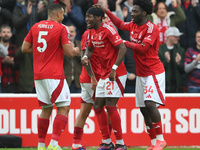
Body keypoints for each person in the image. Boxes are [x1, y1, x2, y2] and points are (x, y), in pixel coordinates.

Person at [95, 0, 167, 149]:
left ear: (144, 13)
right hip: (141, 74)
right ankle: (153, 143)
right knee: (142, 108)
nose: (132, 14)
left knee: (149, 103)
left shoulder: (152, 28)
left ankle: (161, 139)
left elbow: (142, 48)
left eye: (135, 11)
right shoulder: (133, 25)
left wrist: (124, 42)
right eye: (132, 11)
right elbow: (121, 24)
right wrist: (107, 12)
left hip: (153, 72)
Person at [21, 3, 79, 150]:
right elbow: (69, 52)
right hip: (54, 75)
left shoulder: (36, 26)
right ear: (59, 14)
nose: (64, 17)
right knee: (64, 108)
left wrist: (43, 53)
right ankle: (54, 144)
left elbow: (24, 48)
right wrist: (77, 50)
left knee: (46, 109)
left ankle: (41, 145)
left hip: (39, 75)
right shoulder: (61, 28)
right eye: (63, 14)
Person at [82, 6, 127, 150]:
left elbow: (123, 48)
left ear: (98, 18)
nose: (87, 19)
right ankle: (107, 141)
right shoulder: (91, 33)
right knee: (98, 106)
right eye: (86, 16)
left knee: (111, 105)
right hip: (103, 74)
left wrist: (114, 69)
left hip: (116, 73)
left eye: (89, 17)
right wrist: (85, 57)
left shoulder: (108, 29)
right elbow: (89, 49)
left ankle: (120, 143)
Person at [71, 29, 100, 150]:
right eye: (103, 18)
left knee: (84, 111)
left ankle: (75, 144)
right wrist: (93, 77)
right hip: (93, 79)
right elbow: (84, 58)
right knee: (109, 109)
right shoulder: (89, 34)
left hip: (86, 78)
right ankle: (108, 141)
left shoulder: (86, 33)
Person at [159, 27, 185, 93]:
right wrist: (166, 61)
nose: (178, 38)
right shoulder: (160, 50)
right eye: (176, 36)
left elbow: (184, 69)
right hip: (164, 86)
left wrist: (179, 63)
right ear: (169, 37)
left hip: (178, 87)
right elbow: (157, 69)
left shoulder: (180, 50)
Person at [0, 24, 18, 93]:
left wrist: (12, 62)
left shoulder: (14, 48)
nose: (6, 34)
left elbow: (19, 66)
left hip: (12, 83)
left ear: (11, 34)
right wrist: (2, 61)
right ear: (0, 34)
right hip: (1, 83)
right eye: (4, 32)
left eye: (8, 32)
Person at [64, 24, 81, 93]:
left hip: (78, 82)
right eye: (68, 32)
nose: (70, 34)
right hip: (65, 82)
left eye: (71, 32)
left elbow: (85, 60)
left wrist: (75, 51)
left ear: (75, 33)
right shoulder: (60, 45)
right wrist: (67, 50)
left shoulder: (80, 44)